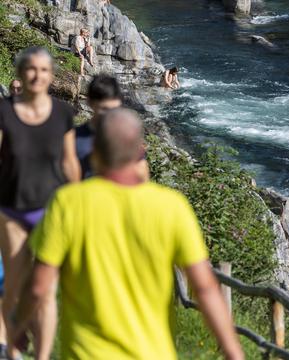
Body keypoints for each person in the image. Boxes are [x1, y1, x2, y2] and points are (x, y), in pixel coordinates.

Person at [9, 108, 245, 360]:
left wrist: (18, 325)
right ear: (139, 151)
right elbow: (206, 288)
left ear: (95, 152)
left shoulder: (69, 202)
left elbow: (38, 286)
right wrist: (233, 352)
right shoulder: (171, 207)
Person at [0, 46, 81, 360]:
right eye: (31, 69)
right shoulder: (4, 111)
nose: (37, 75)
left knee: (46, 292)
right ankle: (12, 350)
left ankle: (43, 356)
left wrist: (79, 205)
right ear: (20, 73)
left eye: (44, 70)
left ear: (51, 76)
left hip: (51, 211)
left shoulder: (63, 113)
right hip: (11, 209)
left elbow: (70, 163)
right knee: (15, 286)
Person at [76, 74, 149, 180]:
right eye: (104, 109)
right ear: (90, 103)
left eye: (115, 109)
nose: (110, 115)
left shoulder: (129, 137)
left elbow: (142, 175)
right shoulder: (74, 139)